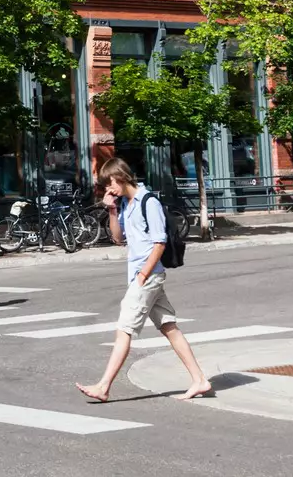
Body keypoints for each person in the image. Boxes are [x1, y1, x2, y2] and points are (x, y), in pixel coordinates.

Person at [77, 157, 213, 403]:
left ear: (120, 177)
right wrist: (112, 209)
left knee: (124, 329)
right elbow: (119, 239)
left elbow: (159, 243)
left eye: (110, 184)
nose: (109, 190)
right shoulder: (127, 204)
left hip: (147, 277)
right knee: (169, 327)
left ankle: (103, 386)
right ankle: (200, 380)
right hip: (143, 276)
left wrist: (142, 275)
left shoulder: (148, 202)